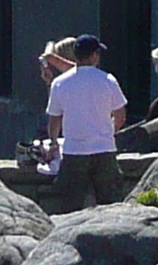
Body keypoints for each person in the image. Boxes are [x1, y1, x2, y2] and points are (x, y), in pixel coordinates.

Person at [44, 36, 129, 210]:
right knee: (111, 206)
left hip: (73, 151)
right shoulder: (108, 80)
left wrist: (53, 143)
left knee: (70, 206)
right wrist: (107, 133)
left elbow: (54, 119)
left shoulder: (59, 83)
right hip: (104, 150)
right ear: (94, 56)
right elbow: (120, 116)